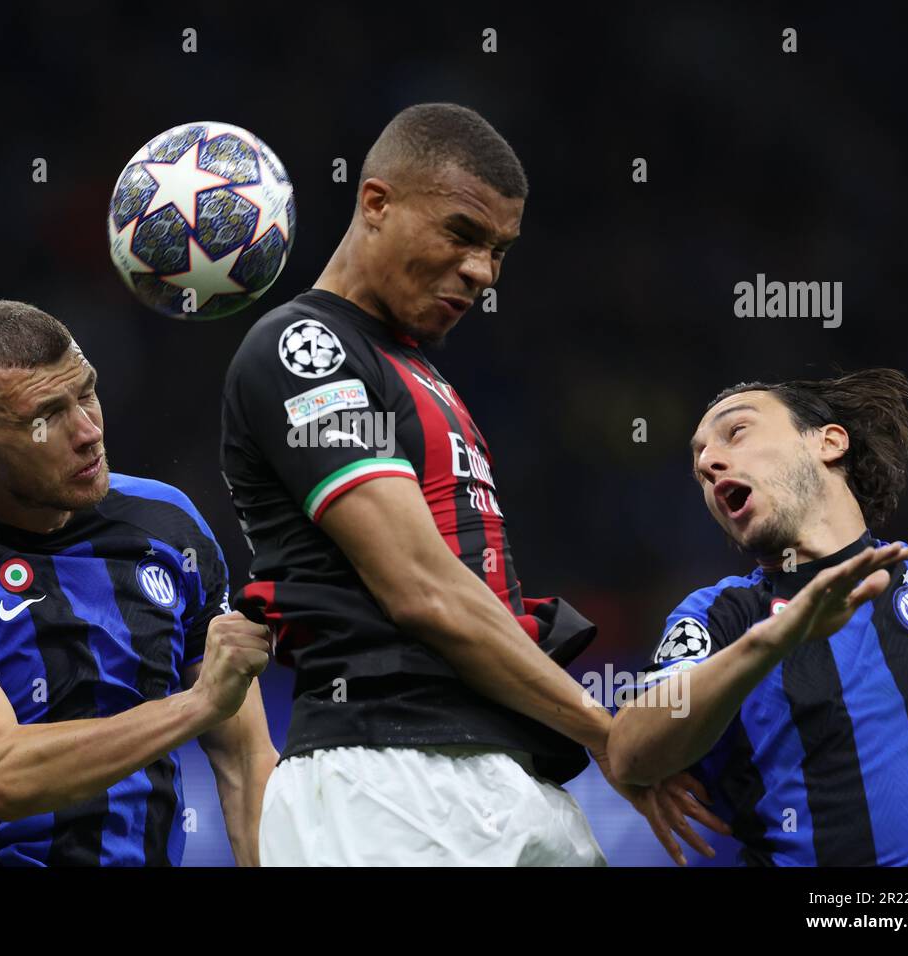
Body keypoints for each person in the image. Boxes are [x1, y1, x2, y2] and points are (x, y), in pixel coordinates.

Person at [221, 103, 724, 866]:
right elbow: (420, 586)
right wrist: (608, 733)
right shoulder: (304, 348)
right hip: (385, 782)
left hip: (502, 767)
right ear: (377, 203)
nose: (483, 273)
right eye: (462, 233)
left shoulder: (418, 370)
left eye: (499, 250)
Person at [0, 300, 276, 866]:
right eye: (46, 417)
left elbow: (246, 760)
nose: (88, 431)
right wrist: (196, 706)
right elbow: (0, 771)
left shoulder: (168, 522)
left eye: (87, 393)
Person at [607, 368, 908, 866]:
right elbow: (631, 751)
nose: (707, 462)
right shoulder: (722, 616)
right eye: (698, 458)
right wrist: (771, 642)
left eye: (736, 432)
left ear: (829, 442)